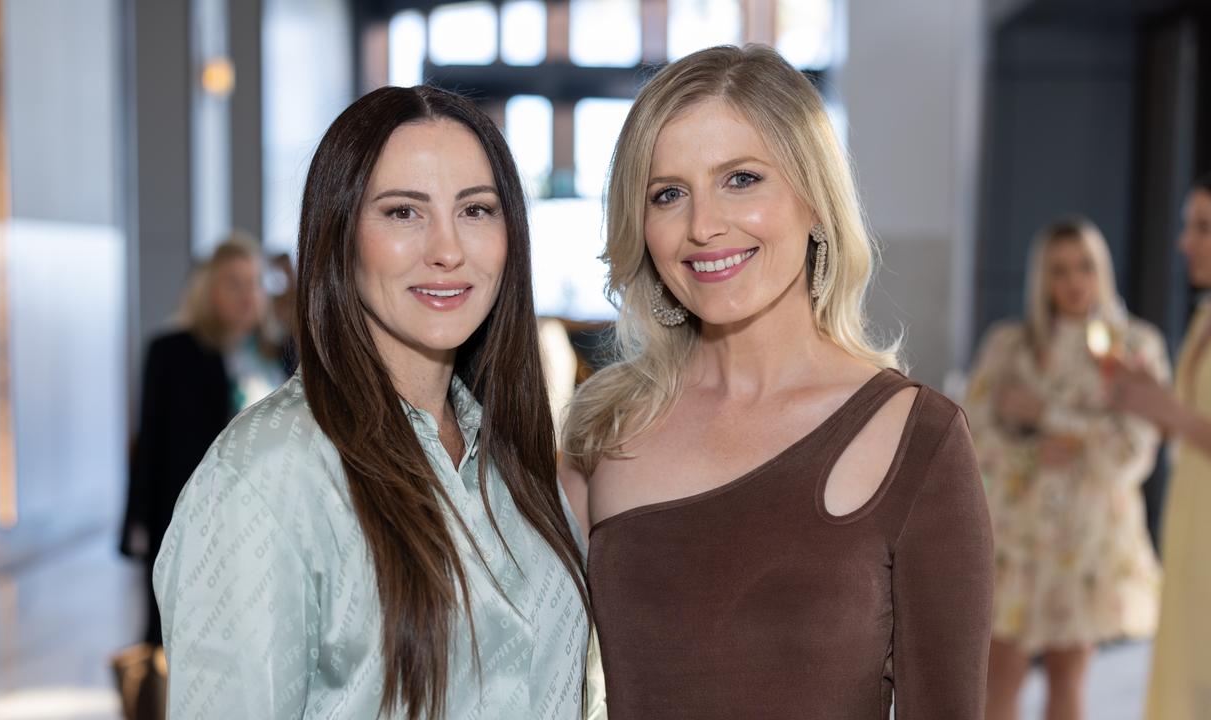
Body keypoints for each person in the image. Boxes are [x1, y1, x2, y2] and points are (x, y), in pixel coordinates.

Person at [560, 44, 993, 719]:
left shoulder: (917, 439)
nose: (703, 226)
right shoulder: (604, 431)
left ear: (815, 200)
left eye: (742, 179)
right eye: (668, 194)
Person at [152, 85, 589, 719]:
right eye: (403, 212)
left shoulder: (507, 456)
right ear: (340, 235)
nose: (447, 250)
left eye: (476, 210)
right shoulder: (268, 476)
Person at [965, 218, 1169, 720]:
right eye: (1059, 270)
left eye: (1085, 267)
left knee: (1069, 679)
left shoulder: (1136, 348)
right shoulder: (1008, 346)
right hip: (1016, 535)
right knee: (998, 680)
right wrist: (1033, 453)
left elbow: (1130, 455)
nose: (1074, 281)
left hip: (1089, 539)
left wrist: (1044, 415)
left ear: (1102, 271)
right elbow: (971, 438)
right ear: (1041, 278)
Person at [120, 234, 290, 646]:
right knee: (189, 636)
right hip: (195, 516)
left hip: (272, 517)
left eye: (254, 283)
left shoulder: (283, 352)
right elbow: (151, 443)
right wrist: (137, 522)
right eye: (233, 283)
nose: (247, 294)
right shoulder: (171, 352)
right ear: (207, 290)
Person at [1111, 174, 1211, 720]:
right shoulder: (1203, 318)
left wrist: (1169, 410)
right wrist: (1149, 396)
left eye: (1203, 227)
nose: (1185, 242)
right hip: (1192, 519)